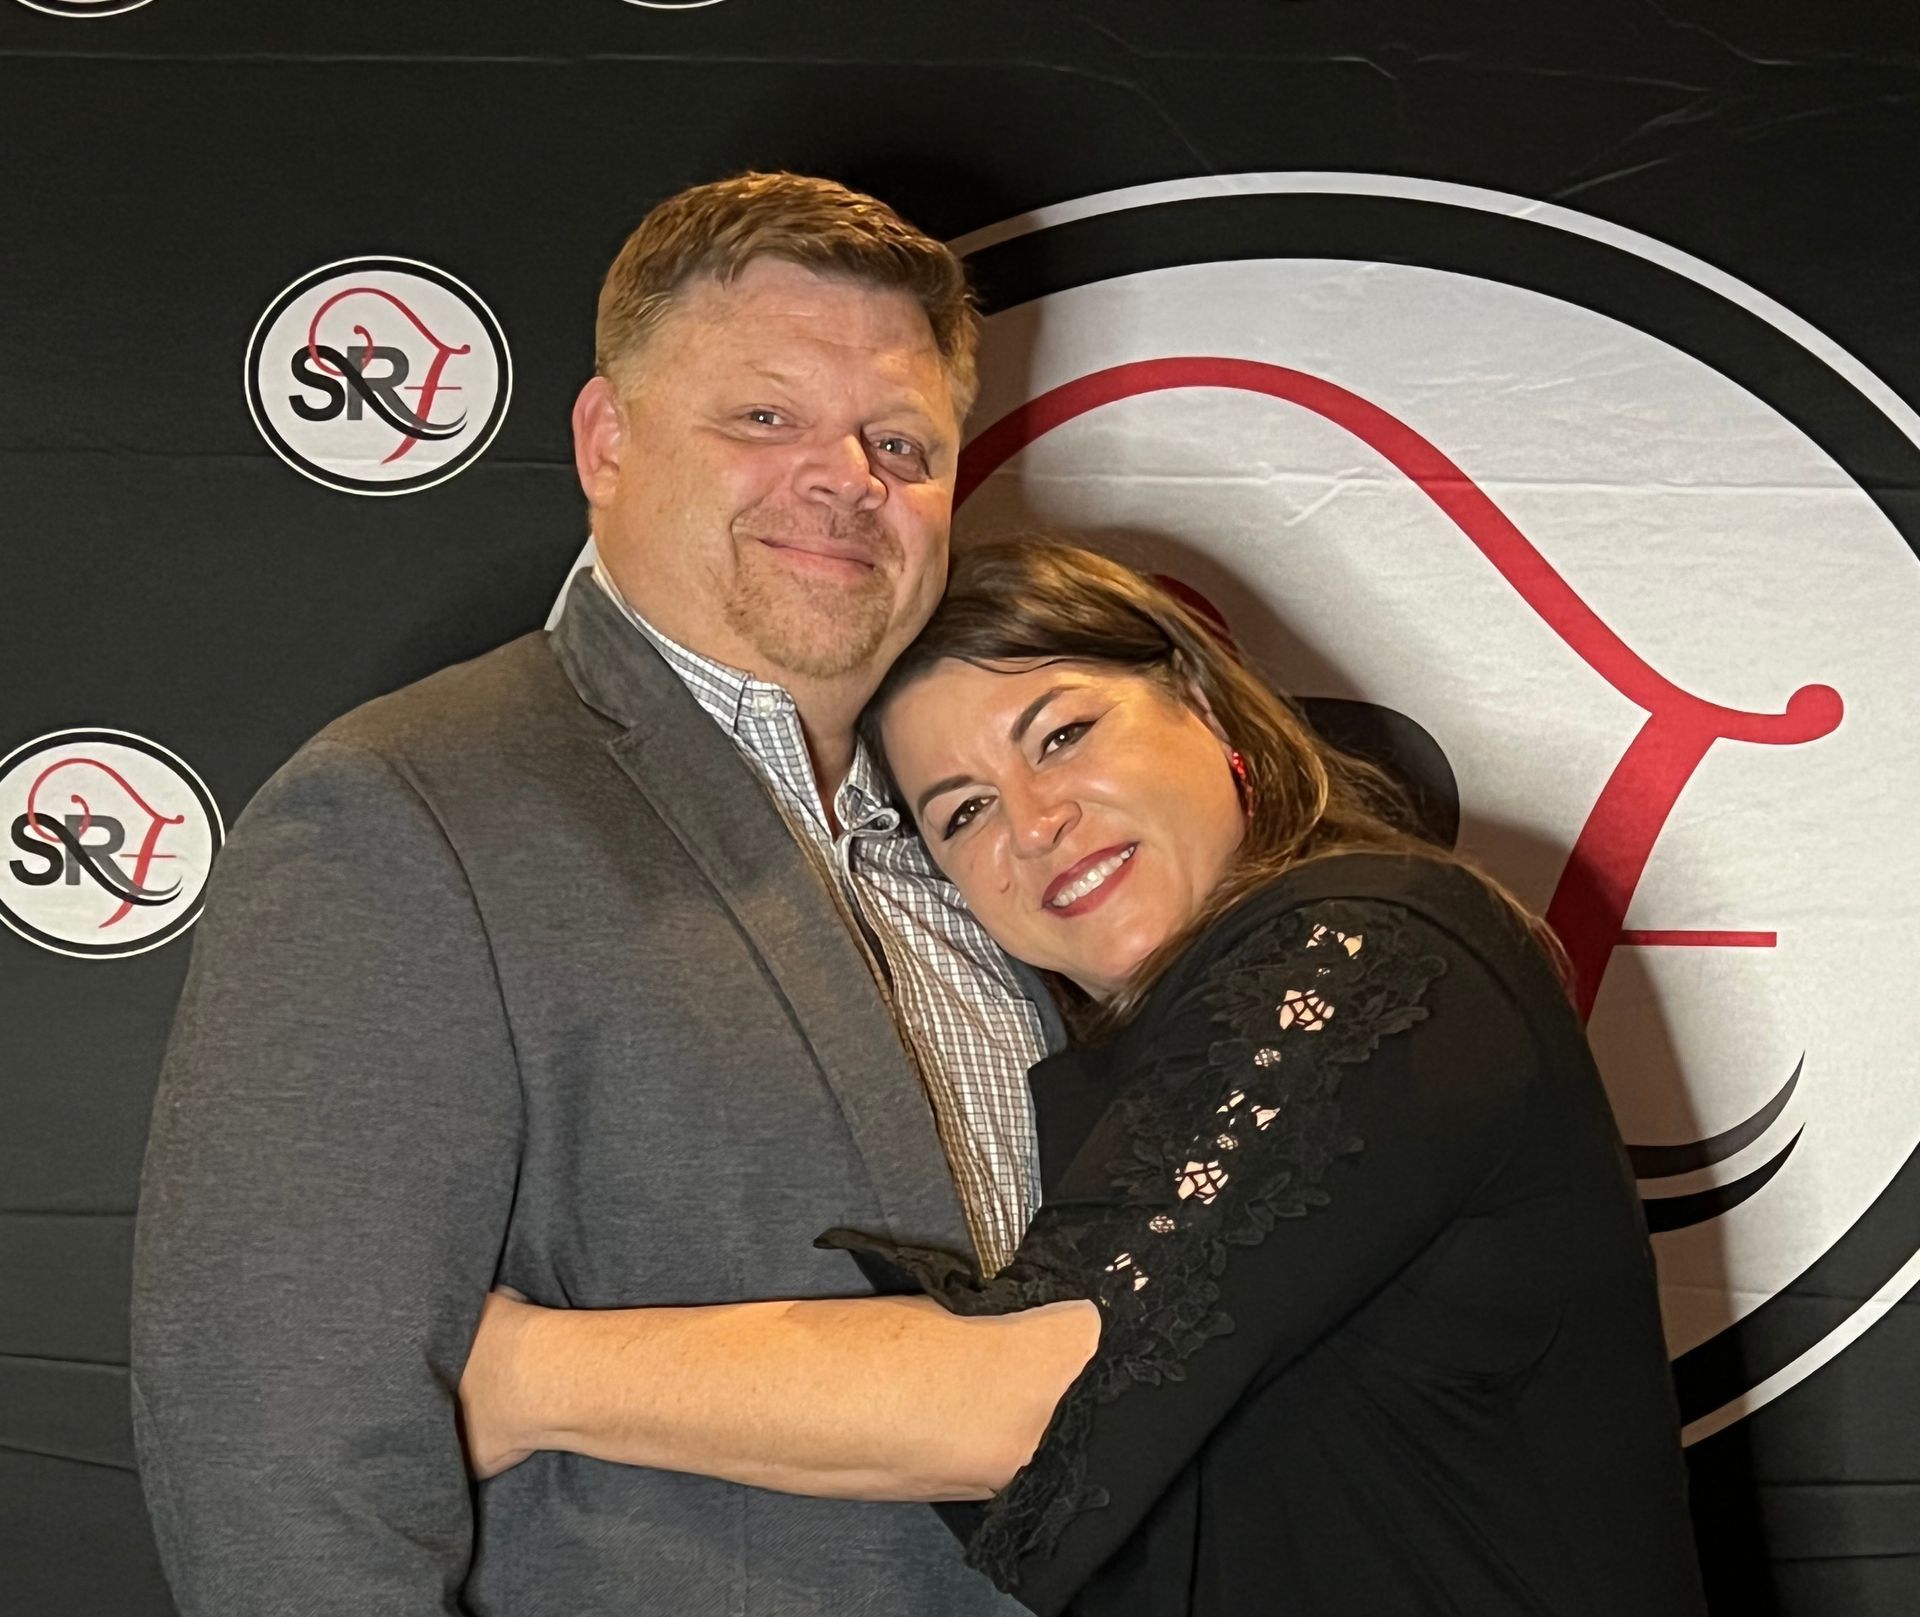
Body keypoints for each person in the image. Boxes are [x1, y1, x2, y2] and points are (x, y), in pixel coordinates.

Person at [130, 173, 1093, 1617]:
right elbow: (284, 1475)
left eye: (901, 440)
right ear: (606, 439)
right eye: (763, 418)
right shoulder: (410, 812)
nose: (844, 478)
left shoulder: (989, 844)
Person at [456, 539, 1712, 1617]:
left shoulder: (1366, 946)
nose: (1035, 821)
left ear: (1209, 712)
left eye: (1062, 732)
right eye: (961, 814)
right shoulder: (1122, 1079)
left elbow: (1021, 1397)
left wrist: (519, 1375)